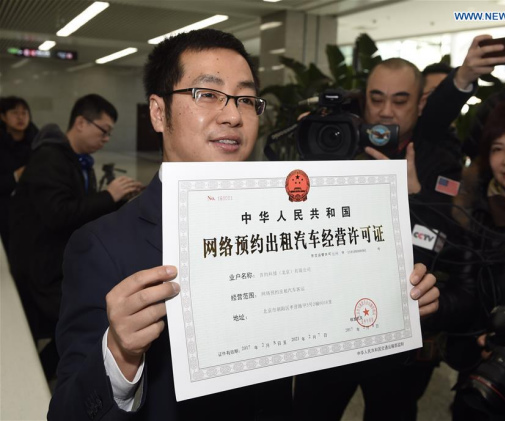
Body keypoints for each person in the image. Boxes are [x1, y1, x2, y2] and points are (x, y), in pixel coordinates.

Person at [48, 28, 439, 420]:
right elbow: (67, 412)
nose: (233, 115)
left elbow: (326, 350)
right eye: (208, 94)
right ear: (157, 111)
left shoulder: (286, 225)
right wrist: (119, 354)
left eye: (247, 99)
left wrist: (392, 310)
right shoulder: (101, 245)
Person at [293, 35, 505, 421]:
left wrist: (414, 197)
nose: (386, 111)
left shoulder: (439, 157)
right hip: (328, 328)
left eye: (401, 100)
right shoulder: (338, 142)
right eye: (376, 98)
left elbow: (454, 242)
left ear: (420, 103)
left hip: (402, 335)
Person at [8, 94, 143, 379]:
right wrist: (109, 195)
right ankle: (39, 377)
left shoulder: (75, 160)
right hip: (40, 269)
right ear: (81, 122)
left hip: (55, 262)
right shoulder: (49, 159)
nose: (106, 138)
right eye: (103, 130)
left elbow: (79, 208)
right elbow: (58, 214)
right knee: (78, 324)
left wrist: (116, 199)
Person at [433, 98, 505, 421]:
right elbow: (465, 296)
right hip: (484, 383)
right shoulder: (475, 218)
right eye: (497, 149)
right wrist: (432, 306)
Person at [0, 96, 38, 252]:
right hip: (6, 211)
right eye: (15, 113)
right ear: (3, 116)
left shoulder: (38, 140)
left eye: (24, 113)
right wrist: (16, 176)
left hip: (35, 209)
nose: (21, 117)